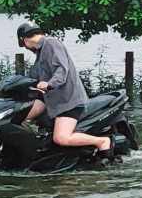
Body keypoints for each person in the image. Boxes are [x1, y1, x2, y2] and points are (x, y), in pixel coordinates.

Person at [18, 22, 113, 153]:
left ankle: (102, 141)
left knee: (61, 138)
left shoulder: (51, 43)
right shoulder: (40, 52)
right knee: (19, 117)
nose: (25, 48)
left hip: (68, 101)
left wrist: (49, 84)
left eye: (23, 45)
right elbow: (33, 77)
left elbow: (62, 69)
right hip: (51, 99)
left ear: (24, 39)